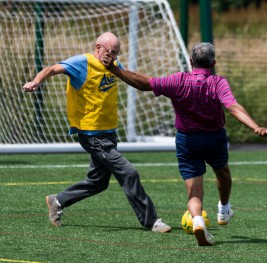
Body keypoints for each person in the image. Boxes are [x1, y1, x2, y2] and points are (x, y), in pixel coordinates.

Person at [103, 42, 267, 246]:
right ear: (213, 63)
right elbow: (233, 106)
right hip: (214, 139)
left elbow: (144, 83)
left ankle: (197, 221)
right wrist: (255, 126)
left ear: (190, 61)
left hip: (187, 140)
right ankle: (224, 210)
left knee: (194, 193)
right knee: (223, 172)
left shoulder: (177, 80)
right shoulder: (218, 83)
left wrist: (114, 69)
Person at [22, 32, 171, 233]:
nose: (114, 56)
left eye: (117, 53)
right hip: (92, 135)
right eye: (111, 51)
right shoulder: (82, 62)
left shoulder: (114, 66)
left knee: (98, 182)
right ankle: (151, 221)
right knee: (129, 173)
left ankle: (57, 201)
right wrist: (36, 81)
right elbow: (52, 68)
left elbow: (130, 78)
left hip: (109, 133)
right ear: (98, 47)